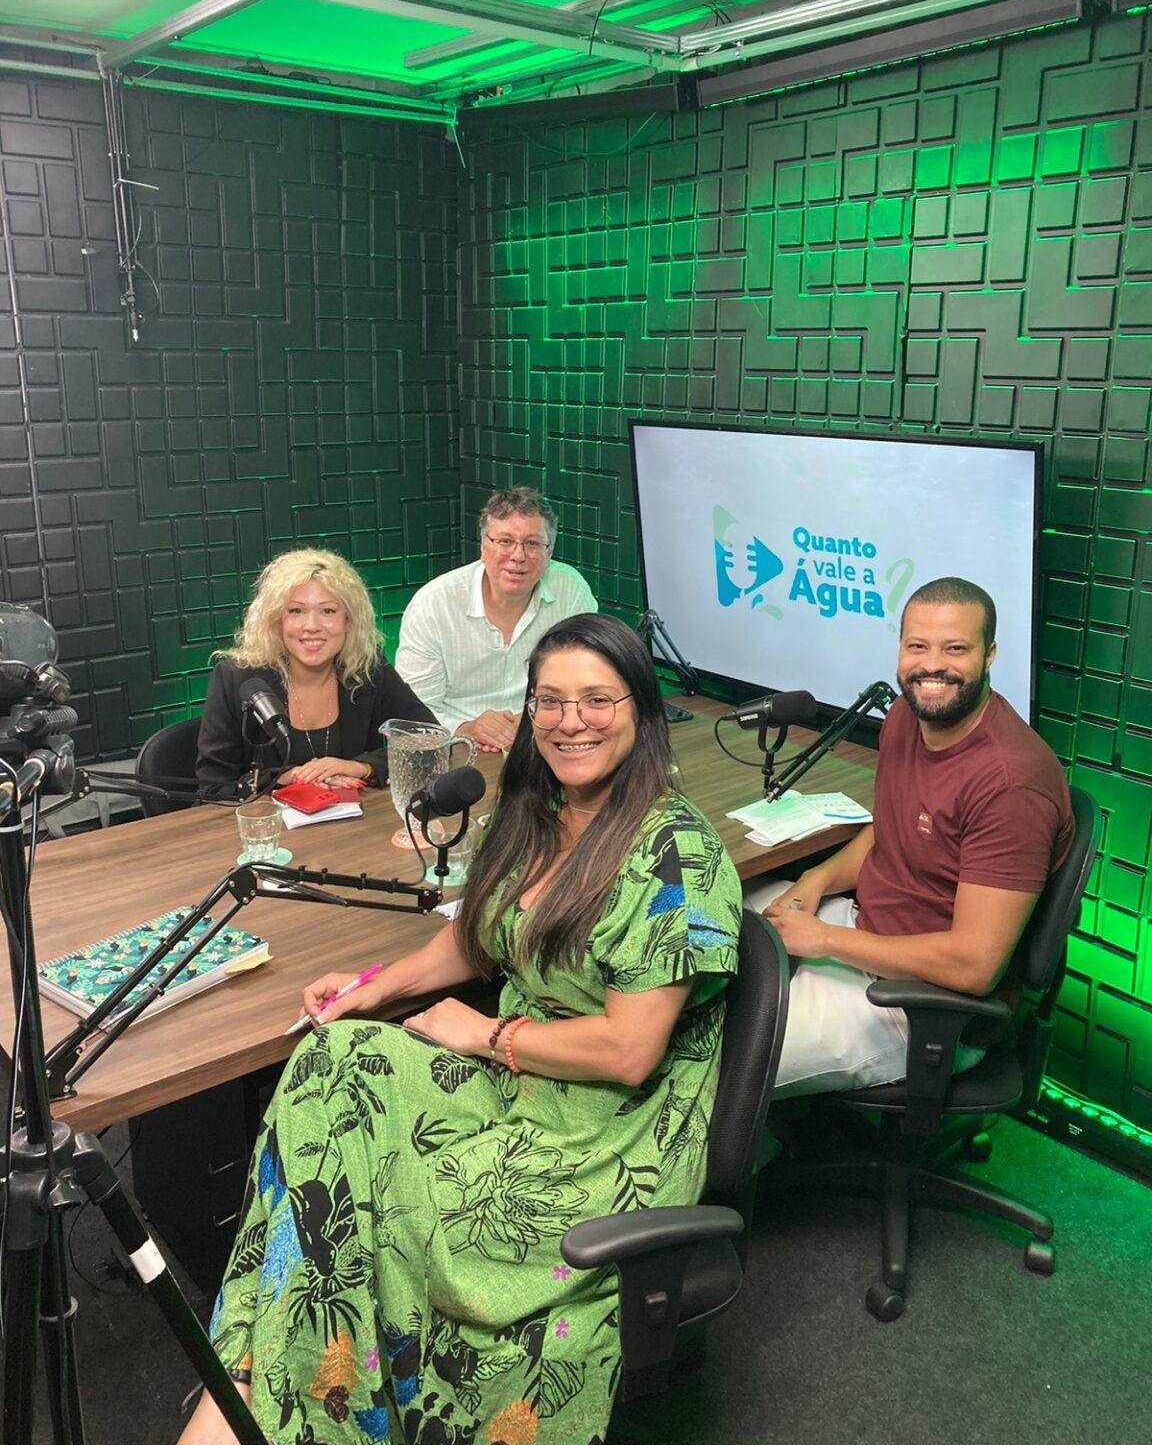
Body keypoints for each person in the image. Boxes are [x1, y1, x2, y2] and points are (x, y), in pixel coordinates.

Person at [179, 613, 741, 1445]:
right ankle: (276, 1372)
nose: (570, 721)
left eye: (597, 699)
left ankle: (271, 1390)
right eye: (549, 701)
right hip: (522, 1073)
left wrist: (483, 1036)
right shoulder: (540, 810)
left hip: (604, 1128)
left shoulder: (677, 854)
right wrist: (373, 987)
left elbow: (629, 1052)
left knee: (388, 1205)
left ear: (642, 710)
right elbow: (476, 935)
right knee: (333, 1058)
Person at [747, 576, 1074, 1097]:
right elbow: (888, 833)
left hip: (920, 1007)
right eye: (917, 646)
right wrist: (817, 879)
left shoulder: (1011, 785)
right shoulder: (904, 716)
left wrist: (824, 940)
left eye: (955, 649)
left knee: (720, 1062)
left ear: (990, 655)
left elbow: (973, 965)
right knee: (703, 921)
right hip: (865, 931)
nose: (932, 666)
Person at [196, 547, 437, 799]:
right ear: (277, 620)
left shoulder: (368, 669)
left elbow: (431, 740)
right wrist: (282, 779)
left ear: (348, 621)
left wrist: (361, 768)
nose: (311, 626)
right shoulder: (236, 678)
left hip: (355, 820)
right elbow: (213, 788)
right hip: (268, 821)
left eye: (328, 611)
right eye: (296, 611)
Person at [395, 486, 597, 754]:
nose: (518, 556)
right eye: (505, 541)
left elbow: (590, 679)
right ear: (483, 546)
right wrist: (466, 728)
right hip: (455, 749)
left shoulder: (571, 590)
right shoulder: (433, 605)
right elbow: (412, 715)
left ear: (549, 552)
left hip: (545, 739)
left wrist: (540, 717)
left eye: (532, 543)